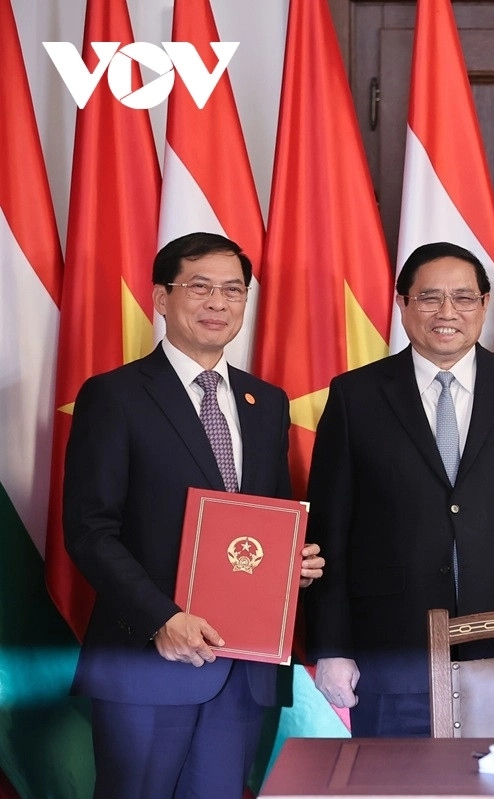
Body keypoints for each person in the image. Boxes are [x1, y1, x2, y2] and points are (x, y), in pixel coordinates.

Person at [63, 232, 325, 799]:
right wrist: (161, 617)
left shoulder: (266, 402)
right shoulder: (115, 396)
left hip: (244, 669)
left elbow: (268, 518)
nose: (218, 303)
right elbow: (90, 530)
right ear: (161, 298)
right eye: (200, 287)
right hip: (147, 661)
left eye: (233, 290)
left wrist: (292, 561)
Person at [304, 241, 494, 737]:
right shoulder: (356, 396)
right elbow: (330, 530)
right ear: (402, 303)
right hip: (392, 645)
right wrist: (332, 647)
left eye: (463, 298)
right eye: (430, 298)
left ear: (484, 304)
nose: (447, 312)